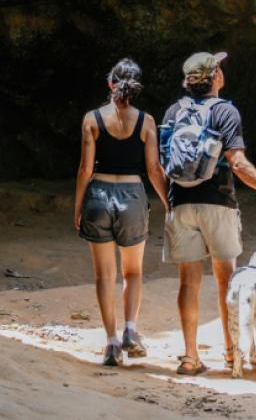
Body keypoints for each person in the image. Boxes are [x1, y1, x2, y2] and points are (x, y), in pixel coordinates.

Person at [161, 51, 256, 377]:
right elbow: (237, 164)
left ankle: (190, 357)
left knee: (188, 283)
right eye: (219, 69)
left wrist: (168, 201)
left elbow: (160, 162)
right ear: (215, 78)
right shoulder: (225, 111)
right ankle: (230, 354)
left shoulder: (174, 110)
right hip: (218, 203)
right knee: (228, 284)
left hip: (180, 203)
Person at [75, 58, 168, 367]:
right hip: (132, 195)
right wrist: (170, 204)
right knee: (133, 272)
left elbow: (85, 168)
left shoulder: (92, 118)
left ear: (109, 84)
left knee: (104, 275)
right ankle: (130, 329)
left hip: (98, 196)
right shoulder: (146, 122)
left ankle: (112, 344)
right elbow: (154, 169)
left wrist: (78, 207)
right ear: (137, 89)